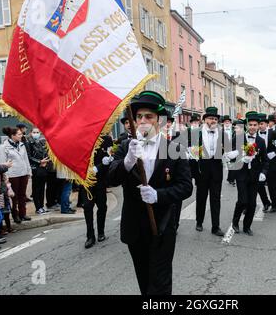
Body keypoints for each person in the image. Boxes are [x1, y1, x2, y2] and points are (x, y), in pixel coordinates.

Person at [108, 91, 192, 295]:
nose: (143, 121)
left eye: (149, 116)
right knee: (144, 279)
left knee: (161, 282)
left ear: (159, 120)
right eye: (139, 116)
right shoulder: (126, 147)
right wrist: (127, 161)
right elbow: (110, 179)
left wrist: (158, 195)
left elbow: (186, 186)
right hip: (134, 226)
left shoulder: (175, 148)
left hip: (162, 225)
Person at [229, 112, 268, 236]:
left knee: (252, 203)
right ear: (246, 125)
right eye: (250, 124)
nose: (252, 127)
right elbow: (230, 157)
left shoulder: (261, 141)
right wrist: (241, 159)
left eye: (255, 125)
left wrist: (263, 172)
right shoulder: (238, 138)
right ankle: (235, 222)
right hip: (241, 174)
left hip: (255, 176)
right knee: (242, 200)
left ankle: (247, 226)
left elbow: (265, 160)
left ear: (258, 126)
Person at [194, 107, 227, 236]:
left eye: (215, 119)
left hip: (216, 169)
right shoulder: (197, 132)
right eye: (210, 118)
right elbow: (189, 151)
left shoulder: (222, 133)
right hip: (202, 169)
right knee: (201, 197)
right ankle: (199, 222)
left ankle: (215, 226)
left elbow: (228, 150)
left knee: (216, 198)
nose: (213, 120)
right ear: (205, 119)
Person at [0, 127, 32, 223]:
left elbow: (26, 159)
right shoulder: (3, 147)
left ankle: (23, 214)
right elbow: (2, 162)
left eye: (21, 134)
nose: (22, 136)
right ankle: (15, 214)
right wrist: (5, 176)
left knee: (22, 195)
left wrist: (29, 171)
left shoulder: (22, 145)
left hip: (23, 173)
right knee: (14, 196)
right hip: (12, 175)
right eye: (19, 134)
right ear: (12, 136)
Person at [84, 134, 113, 248]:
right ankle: (90, 236)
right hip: (86, 180)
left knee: (102, 206)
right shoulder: (82, 137)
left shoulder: (106, 139)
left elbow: (110, 157)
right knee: (87, 207)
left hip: (100, 179)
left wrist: (99, 167)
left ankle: (101, 232)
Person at [27, 128, 50, 215]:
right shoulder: (29, 143)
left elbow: (46, 153)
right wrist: (39, 162)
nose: (36, 134)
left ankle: (42, 206)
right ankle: (38, 208)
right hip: (35, 168)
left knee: (42, 188)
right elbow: (29, 157)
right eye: (34, 132)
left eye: (37, 132)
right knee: (36, 189)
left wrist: (45, 161)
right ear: (31, 133)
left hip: (43, 167)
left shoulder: (42, 142)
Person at [257, 113, 271, 211]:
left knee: (262, 185)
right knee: (257, 185)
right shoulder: (253, 134)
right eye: (259, 124)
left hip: (268, 162)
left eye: (262, 123)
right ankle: (266, 202)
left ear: (266, 124)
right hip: (257, 163)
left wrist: (273, 153)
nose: (260, 126)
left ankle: (267, 202)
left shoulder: (272, 132)